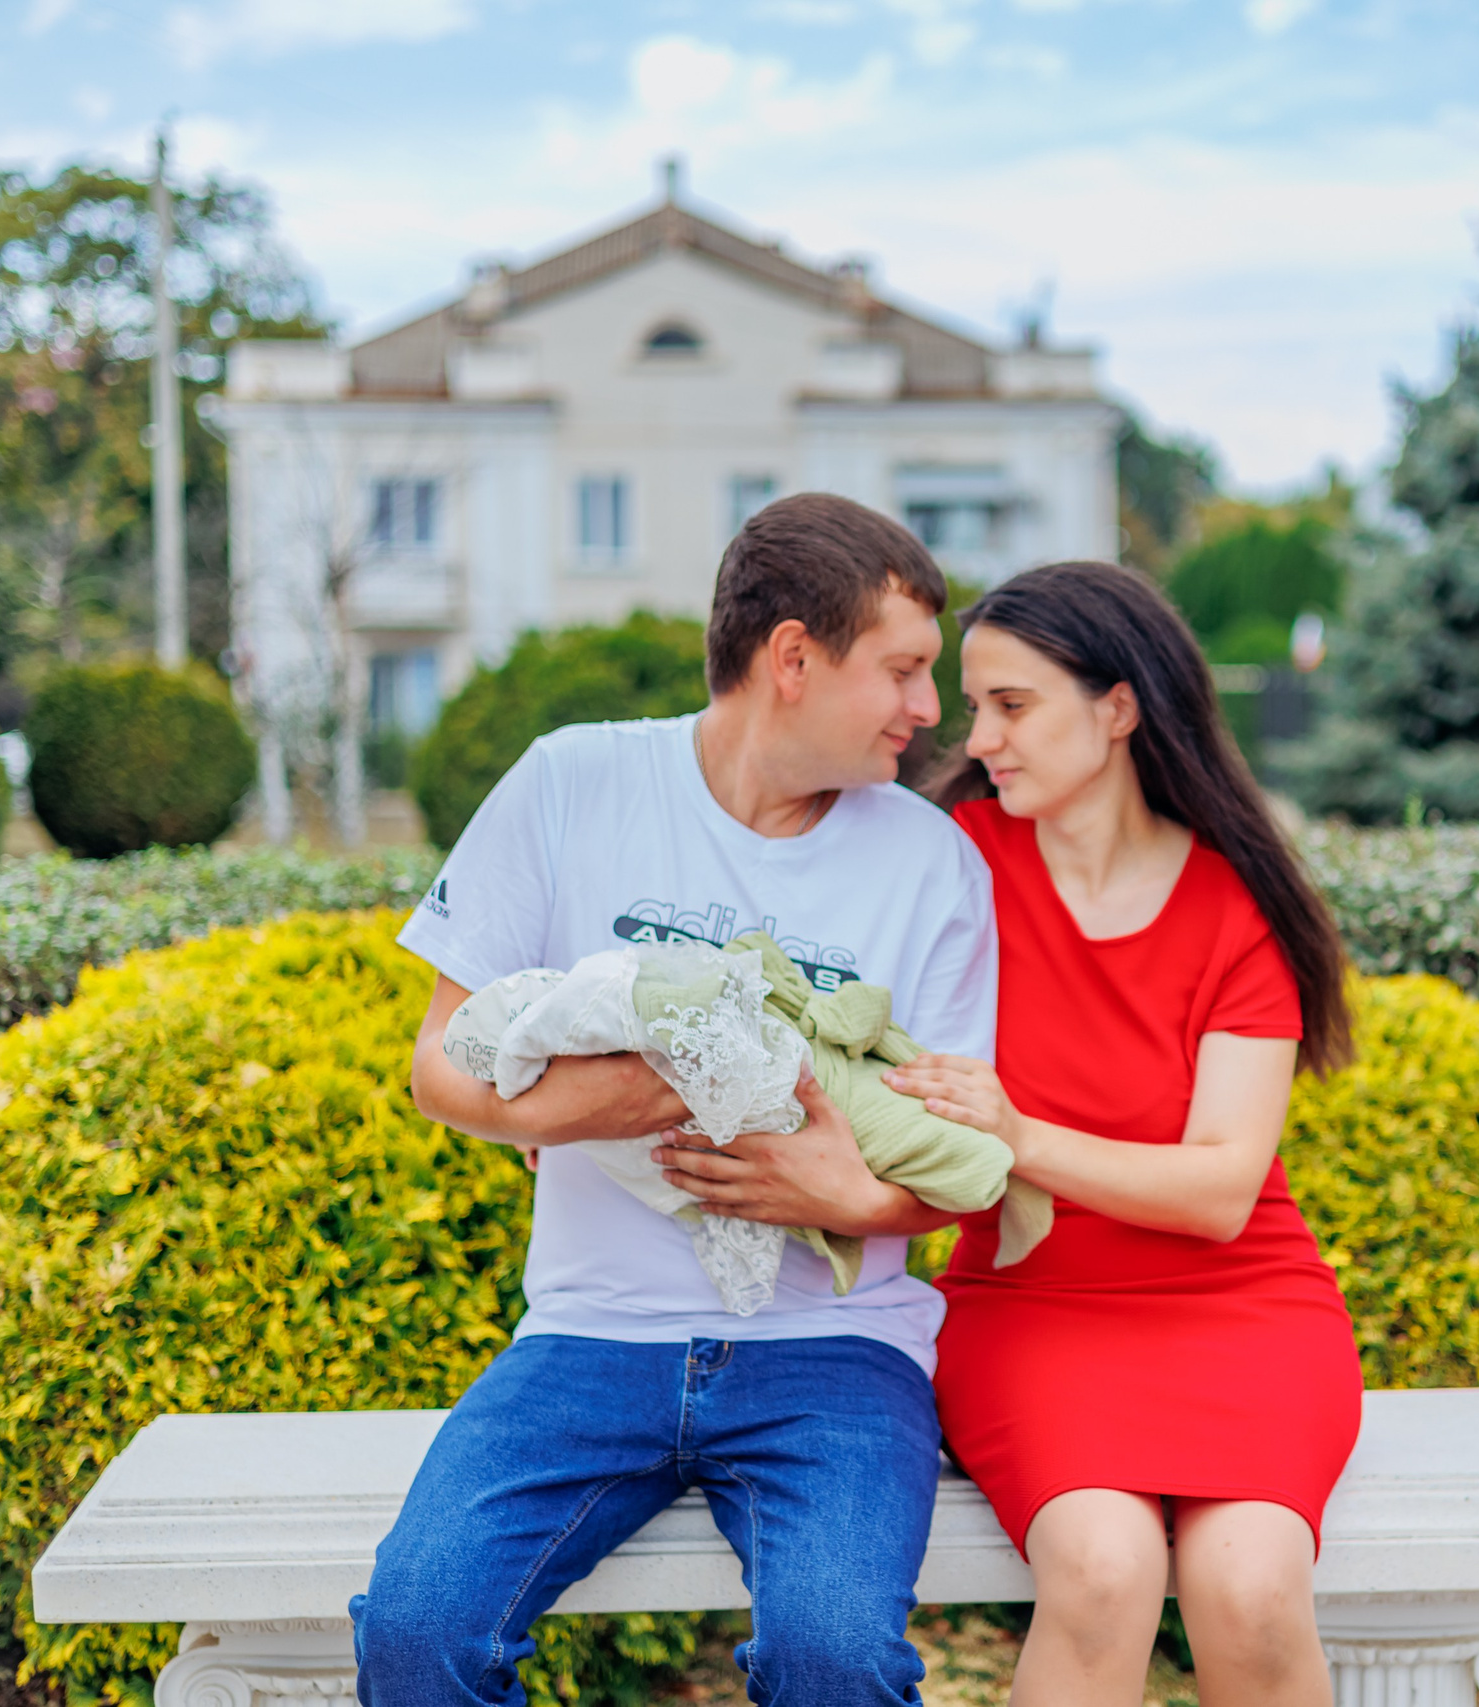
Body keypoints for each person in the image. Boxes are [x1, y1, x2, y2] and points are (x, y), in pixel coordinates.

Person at [355, 493, 998, 1707]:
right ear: (794, 658)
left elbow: (948, 1167)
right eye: (907, 670)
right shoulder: (571, 782)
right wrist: (596, 1110)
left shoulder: (932, 864)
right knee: (419, 1625)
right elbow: (440, 1063)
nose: (929, 709)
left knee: (838, 1663)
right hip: (588, 1339)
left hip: (835, 1355)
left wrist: (830, 1189)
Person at [882, 561, 1361, 1707]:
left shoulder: (1239, 904)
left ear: (1118, 706)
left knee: (1248, 1591)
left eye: (1012, 703)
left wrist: (1017, 1136)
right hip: (1036, 1310)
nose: (975, 733)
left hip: (1246, 1310)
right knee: (1102, 1574)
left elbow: (1219, 1191)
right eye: (971, 703)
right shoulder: (952, 863)